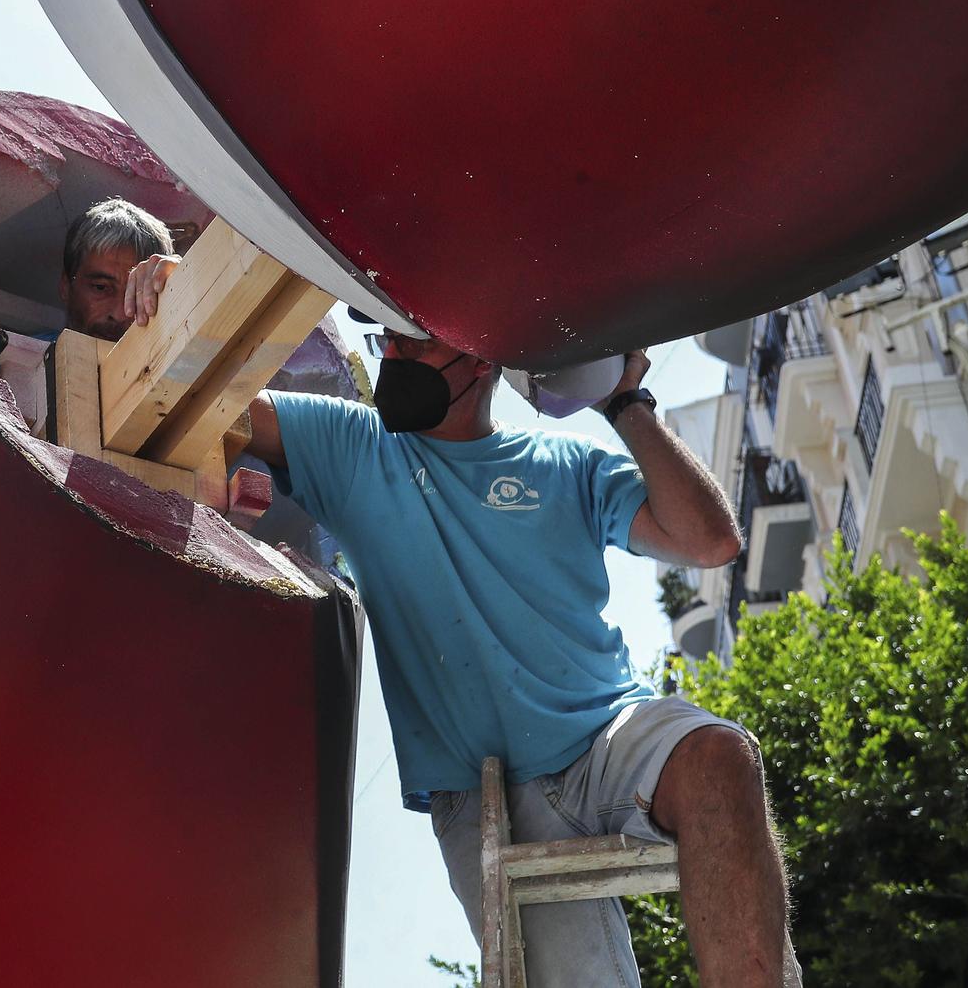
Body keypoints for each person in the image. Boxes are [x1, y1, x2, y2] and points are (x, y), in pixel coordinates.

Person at [123, 263, 799, 985]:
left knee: (719, 756)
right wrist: (180, 294)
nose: (390, 357)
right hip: (485, 793)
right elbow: (214, 402)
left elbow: (710, 541)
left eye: (411, 347)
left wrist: (627, 401)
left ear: (477, 357)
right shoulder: (353, 446)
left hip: (605, 736)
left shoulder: (565, 465)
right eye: (387, 341)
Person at [56, 198, 176, 341]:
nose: (120, 315)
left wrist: (183, 281)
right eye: (100, 287)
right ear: (66, 286)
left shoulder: (179, 361)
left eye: (137, 293)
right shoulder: (26, 358)